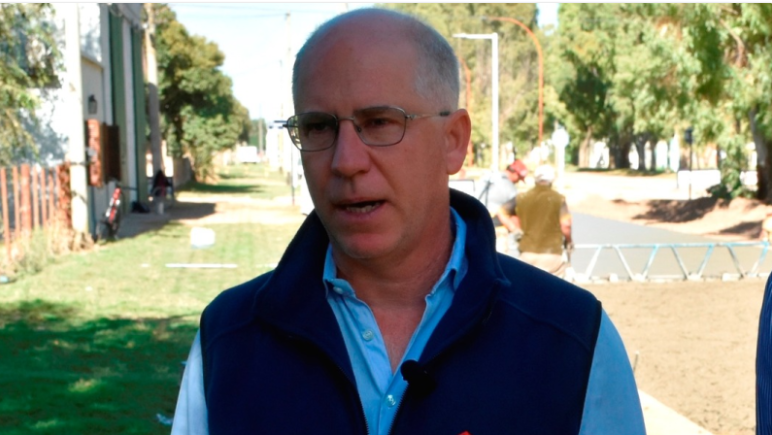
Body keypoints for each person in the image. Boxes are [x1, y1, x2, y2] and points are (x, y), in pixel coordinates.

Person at [171, 8, 644, 435]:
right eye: (318, 127)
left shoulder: (572, 341)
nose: (346, 161)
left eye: (380, 122)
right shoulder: (228, 341)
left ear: (453, 141)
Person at [515, 164, 573, 277]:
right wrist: (569, 241)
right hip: (551, 254)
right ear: (552, 180)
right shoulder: (559, 198)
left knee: (527, 285)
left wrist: (515, 229)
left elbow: (503, 212)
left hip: (526, 253)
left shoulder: (522, 198)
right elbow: (566, 225)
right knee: (552, 285)